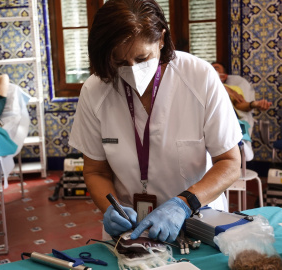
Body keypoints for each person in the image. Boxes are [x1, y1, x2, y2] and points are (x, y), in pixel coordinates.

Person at [68, 0, 242, 244]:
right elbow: (95, 170)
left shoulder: (199, 78)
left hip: (197, 220)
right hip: (131, 231)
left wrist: (183, 204)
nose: (133, 70)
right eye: (120, 62)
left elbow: (230, 163)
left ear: (161, 39)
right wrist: (113, 208)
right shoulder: (95, 90)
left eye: (142, 58)